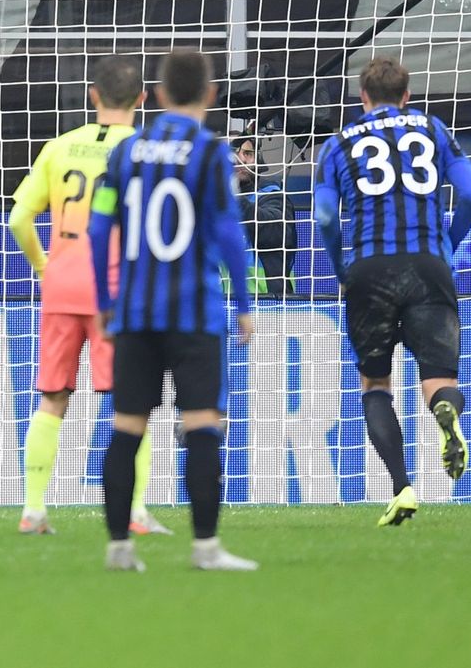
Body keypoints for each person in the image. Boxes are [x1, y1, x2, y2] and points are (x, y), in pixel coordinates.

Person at [88, 49, 258, 572]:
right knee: (202, 425)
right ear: (210, 95)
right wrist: (246, 302)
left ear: (158, 96)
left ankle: (119, 548)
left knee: (126, 427)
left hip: (135, 314)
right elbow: (230, 233)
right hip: (195, 313)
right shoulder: (211, 154)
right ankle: (205, 548)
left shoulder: (127, 152)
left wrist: (104, 304)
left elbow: (98, 231)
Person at [313, 56, 471, 527]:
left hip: (370, 269)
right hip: (430, 266)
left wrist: (339, 266)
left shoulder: (338, 143)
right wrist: (448, 242)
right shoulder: (433, 129)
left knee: (375, 385)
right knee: (438, 378)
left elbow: (326, 217)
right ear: (406, 95)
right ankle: (444, 410)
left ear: (362, 97)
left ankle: (402, 486)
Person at [8, 54, 170, 536]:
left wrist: (43, 265)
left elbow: (18, 219)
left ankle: (33, 510)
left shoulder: (59, 147)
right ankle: (136, 513)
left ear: (94, 96)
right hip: (116, 292)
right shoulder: (146, 149)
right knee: (129, 402)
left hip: (61, 287)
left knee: (51, 399)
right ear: (143, 100)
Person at [230, 129, 296, 295]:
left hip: (268, 303)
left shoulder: (272, 193)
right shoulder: (210, 198)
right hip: (221, 303)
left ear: (257, 158)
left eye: (248, 153)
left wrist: (234, 197)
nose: (241, 159)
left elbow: (276, 232)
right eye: (233, 153)